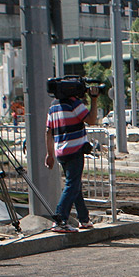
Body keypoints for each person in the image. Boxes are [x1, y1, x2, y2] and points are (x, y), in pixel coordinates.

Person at [45, 81, 100, 232]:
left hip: (60, 152)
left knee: (75, 185)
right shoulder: (74, 103)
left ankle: (84, 219)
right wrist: (94, 100)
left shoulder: (53, 105)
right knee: (72, 185)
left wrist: (50, 154)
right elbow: (91, 120)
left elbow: (48, 132)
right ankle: (60, 219)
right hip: (75, 150)